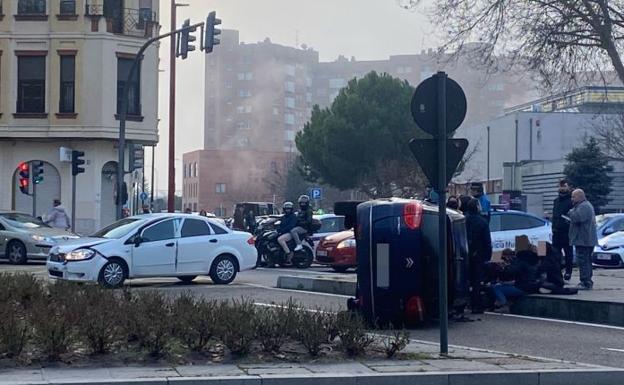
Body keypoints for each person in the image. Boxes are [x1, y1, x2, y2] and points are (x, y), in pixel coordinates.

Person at [465, 198, 492, 313]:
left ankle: (467, 303)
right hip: (478, 255)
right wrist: (488, 255)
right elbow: (487, 241)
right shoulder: (482, 222)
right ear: (477, 208)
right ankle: (476, 305)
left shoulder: (463, 220)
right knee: (477, 281)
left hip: (465, 254)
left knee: (467, 279)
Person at [568, 189, 598, 290]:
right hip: (585, 239)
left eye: (573, 197)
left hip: (584, 240)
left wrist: (570, 211)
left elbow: (577, 218)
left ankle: (585, 282)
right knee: (586, 260)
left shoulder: (584, 206)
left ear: (580, 196)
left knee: (583, 261)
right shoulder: (583, 206)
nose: (572, 199)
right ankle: (587, 281)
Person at [552, 180, 574, 281]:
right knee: (555, 253)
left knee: (568, 253)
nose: (562, 188)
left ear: (568, 188)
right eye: (560, 186)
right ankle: (557, 271)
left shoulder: (571, 201)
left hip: (567, 232)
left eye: (564, 186)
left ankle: (568, 271)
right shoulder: (556, 201)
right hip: (556, 231)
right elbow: (555, 215)